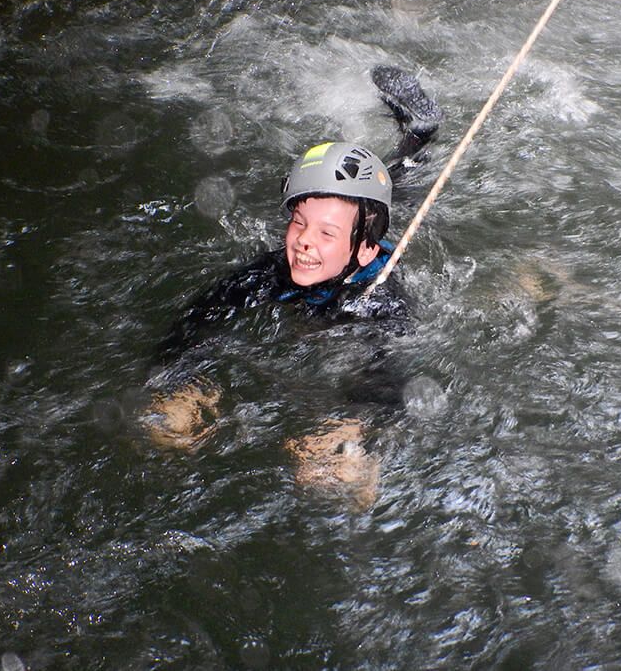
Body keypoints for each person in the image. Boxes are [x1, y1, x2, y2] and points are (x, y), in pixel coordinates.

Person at [145, 66, 441, 508]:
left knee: (403, 184)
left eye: (324, 234)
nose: (302, 240)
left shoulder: (380, 300)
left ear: (364, 251)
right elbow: (200, 316)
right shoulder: (276, 270)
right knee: (378, 192)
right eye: (298, 223)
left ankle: (420, 134)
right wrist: (181, 386)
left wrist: (353, 431)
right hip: (354, 238)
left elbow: (388, 376)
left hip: (366, 255)